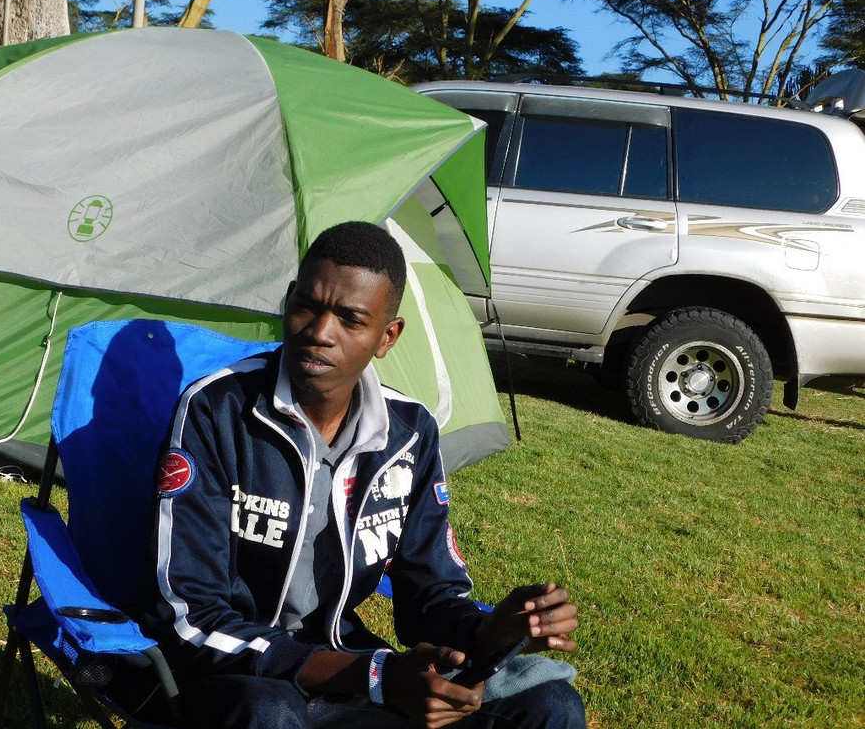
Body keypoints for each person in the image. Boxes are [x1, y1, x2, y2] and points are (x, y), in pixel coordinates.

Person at [143, 221, 585, 728]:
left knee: (550, 705)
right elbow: (189, 614)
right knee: (270, 714)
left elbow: (429, 597)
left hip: (348, 664)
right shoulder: (216, 411)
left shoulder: (409, 432)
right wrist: (374, 677)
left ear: (387, 337)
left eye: (351, 319)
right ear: (289, 300)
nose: (319, 332)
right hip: (236, 675)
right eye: (307, 305)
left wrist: (492, 634)